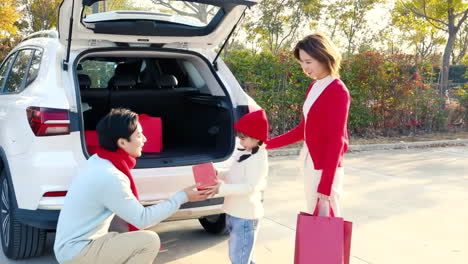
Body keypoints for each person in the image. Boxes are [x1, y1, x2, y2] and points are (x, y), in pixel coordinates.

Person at [54, 108, 211, 264]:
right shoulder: (110, 176)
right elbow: (142, 219)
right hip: (77, 251)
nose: (145, 140)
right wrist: (182, 197)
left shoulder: (98, 161)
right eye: (139, 135)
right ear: (122, 142)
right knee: (148, 241)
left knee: (124, 229)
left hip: (73, 246)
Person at [266, 33, 351, 217]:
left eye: (308, 62)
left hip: (325, 168)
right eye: (302, 63)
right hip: (310, 162)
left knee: (328, 223)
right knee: (316, 222)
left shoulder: (337, 89)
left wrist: (326, 183)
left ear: (323, 57)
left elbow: (337, 139)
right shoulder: (314, 87)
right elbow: (302, 130)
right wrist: (266, 144)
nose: (304, 67)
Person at [206, 109, 269, 264]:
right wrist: (218, 172)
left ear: (257, 137)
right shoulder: (246, 152)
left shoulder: (258, 158)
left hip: (245, 216)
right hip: (234, 212)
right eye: (239, 137)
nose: (240, 141)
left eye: (244, 138)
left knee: (239, 257)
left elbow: (250, 186)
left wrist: (222, 188)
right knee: (241, 255)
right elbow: (234, 174)